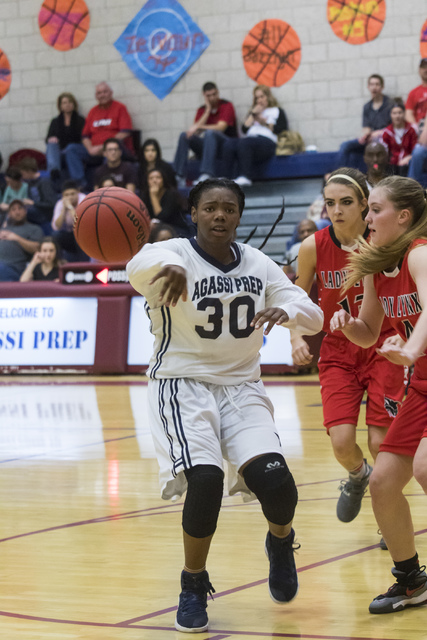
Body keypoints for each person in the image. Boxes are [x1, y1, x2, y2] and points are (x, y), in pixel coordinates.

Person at [126, 178, 323, 633]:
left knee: (276, 484)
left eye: (229, 209)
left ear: (239, 215)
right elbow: (141, 263)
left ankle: (280, 542)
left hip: (242, 386)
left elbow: (312, 313)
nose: (220, 216)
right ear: (193, 213)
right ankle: (193, 583)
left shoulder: (258, 263)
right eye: (210, 208)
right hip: (182, 385)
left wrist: (286, 311)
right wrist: (170, 269)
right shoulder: (172, 252)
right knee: (207, 480)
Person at [330, 175, 427, 614]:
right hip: (422, 384)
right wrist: (352, 327)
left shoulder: (420, 253)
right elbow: (370, 333)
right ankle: (410, 580)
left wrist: (409, 348)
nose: (366, 218)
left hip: (419, 366)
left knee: (423, 466)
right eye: (367, 209)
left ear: (403, 216)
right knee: (384, 483)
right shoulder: (373, 264)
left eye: (375, 209)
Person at [290, 168, 406, 529]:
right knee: (341, 443)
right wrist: (296, 337)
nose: (336, 210)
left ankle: (390, 518)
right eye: (329, 203)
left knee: (379, 441)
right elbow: (293, 297)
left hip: (382, 346)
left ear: (363, 205)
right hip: (339, 351)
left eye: (345, 202)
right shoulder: (313, 246)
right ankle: (358, 476)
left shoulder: (383, 243)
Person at [64, 82, 133, 187]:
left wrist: (104, 147)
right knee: (71, 149)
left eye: (105, 92)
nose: (102, 95)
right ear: (96, 96)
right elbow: (85, 136)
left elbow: (125, 132)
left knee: (110, 150)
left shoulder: (120, 108)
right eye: (99, 93)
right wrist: (90, 148)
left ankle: (106, 185)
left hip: (112, 149)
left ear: (111, 93)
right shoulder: (93, 111)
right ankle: (80, 185)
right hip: (94, 151)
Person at [222, 85, 288, 186]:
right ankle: (226, 178)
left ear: (268, 96)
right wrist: (253, 114)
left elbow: (282, 129)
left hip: (268, 142)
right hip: (250, 140)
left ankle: (245, 176)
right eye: (257, 98)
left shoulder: (277, 111)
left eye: (262, 97)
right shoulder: (253, 112)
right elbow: (244, 129)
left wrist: (263, 122)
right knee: (229, 143)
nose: (259, 100)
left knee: (245, 143)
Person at [173, 82, 237, 186]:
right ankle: (179, 175)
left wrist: (199, 127)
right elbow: (195, 132)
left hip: (225, 146)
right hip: (208, 147)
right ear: (204, 96)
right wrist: (207, 111)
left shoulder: (226, 105)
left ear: (218, 92)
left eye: (214, 94)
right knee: (184, 135)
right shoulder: (202, 110)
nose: (212, 98)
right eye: (209, 96)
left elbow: (221, 127)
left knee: (210, 133)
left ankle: (207, 173)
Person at [336, 74, 393, 170]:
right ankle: (341, 176)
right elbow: (366, 127)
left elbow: (394, 127)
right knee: (345, 145)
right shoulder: (367, 107)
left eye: (377, 84)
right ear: (368, 87)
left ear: (382, 87)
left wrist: (377, 133)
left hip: (385, 138)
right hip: (370, 138)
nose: (374, 87)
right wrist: (365, 136)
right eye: (372, 84)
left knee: (374, 148)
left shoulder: (390, 104)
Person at [45, 92, 85, 182]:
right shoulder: (55, 121)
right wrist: (51, 139)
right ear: (60, 106)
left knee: (70, 148)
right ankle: (54, 172)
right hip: (60, 151)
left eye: (70, 102)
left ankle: (78, 181)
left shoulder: (80, 120)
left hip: (74, 149)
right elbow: (48, 138)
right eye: (64, 103)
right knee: (51, 145)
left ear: (74, 104)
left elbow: (81, 138)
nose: (67, 105)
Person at [0, 199, 43, 281]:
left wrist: (16, 238)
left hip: (14, 268)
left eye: (20, 208)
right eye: (13, 209)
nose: (17, 212)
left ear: (25, 211)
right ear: (9, 214)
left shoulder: (34, 228)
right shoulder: (3, 228)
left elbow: (38, 249)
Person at [142, 167, 190, 237]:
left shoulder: (171, 194)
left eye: (158, 177)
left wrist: (153, 196)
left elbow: (162, 217)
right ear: (147, 181)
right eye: (151, 178)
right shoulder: (145, 195)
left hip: (176, 229)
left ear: (163, 180)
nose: (154, 180)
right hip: (156, 229)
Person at [18, 156, 58, 234]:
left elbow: (52, 203)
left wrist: (33, 203)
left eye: (23, 173)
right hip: (36, 212)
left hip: (45, 215)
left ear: (29, 171)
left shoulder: (44, 182)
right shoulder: (29, 183)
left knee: (20, 212)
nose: (22, 176)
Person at [51, 180, 88, 261]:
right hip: (69, 236)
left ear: (78, 192)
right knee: (56, 236)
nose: (70, 197)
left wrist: (70, 207)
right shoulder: (60, 203)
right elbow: (56, 227)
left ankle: (84, 265)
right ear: (62, 196)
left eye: (72, 194)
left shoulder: (84, 200)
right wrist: (64, 209)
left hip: (84, 235)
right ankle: (60, 264)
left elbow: (80, 223)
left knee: (78, 234)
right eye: (66, 195)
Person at [381, 102, 417, 176]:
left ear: (404, 114)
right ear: (390, 115)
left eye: (400, 113)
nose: (397, 116)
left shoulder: (411, 129)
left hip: (407, 162)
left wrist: (408, 158)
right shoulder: (387, 132)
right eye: (394, 113)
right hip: (392, 164)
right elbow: (384, 151)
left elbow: (415, 149)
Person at [405, 58, 427, 127]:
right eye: (423, 67)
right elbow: (408, 114)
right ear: (419, 71)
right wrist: (415, 127)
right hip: (420, 128)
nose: (426, 70)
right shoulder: (413, 93)